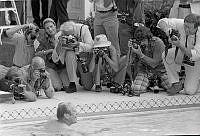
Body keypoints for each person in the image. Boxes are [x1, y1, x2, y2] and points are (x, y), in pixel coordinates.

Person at [162, 13, 200, 95]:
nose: (186, 29)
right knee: (166, 54)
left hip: (196, 61)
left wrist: (179, 45)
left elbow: (193, 55)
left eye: (189, 28)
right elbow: (162, 22)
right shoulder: (180, 23)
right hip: (184, 55)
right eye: (185, 26)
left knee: (190, 91)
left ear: (197, 27)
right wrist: (168, 32)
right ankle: (176, 82)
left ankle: (194, 79)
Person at [52, 21, 94, 93]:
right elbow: (55, 57)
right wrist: (60, 44)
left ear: (75, 30)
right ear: (63, 33)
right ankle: (72, 83)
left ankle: (81, 77)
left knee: (88, 86)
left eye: (72, 35)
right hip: (69, 62)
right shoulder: (59, 36)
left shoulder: (83, 29)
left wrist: (78, 44)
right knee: (70, 53)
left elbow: (91, 47)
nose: (70, 37)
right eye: (67, 36)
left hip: (83, 60)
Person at [130, 26, 171, 94]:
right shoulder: (137, 45)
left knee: (171, 87)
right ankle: (150, 82)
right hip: (145, 70)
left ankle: (157, 81)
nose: (141, 43)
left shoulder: (158, 43)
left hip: (161, 71)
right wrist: (130, 50)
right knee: (136, 89)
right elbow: (130, 62)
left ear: (149, 37)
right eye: (139, 41)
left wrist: (141, 55)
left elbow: (154, 64)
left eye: (143, 40)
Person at [35, 18, 68, 92]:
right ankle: (46, 80)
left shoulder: (62, 36)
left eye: (51, 26)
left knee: (68, 86)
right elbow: (36, 54)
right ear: (45, 30)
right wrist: (48, 51)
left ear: (55, 26)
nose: (50, 29)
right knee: (58, 87)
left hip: (62, 66)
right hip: (51, 66)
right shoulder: (44, 40)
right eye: (47, 28)